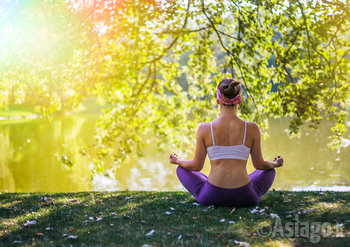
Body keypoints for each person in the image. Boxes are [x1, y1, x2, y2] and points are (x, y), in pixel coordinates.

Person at [169, 79, 284, 207]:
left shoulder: (205, 128)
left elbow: (196, 166)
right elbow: (260, 164)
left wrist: (178, 161)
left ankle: (208, 185)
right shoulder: (252, 128)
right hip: (245, 197)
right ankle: (248, 188)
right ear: (239, 100)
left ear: (218, 101)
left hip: (211, 196)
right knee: (269, 170)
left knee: (182, 169)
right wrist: (275, 163)